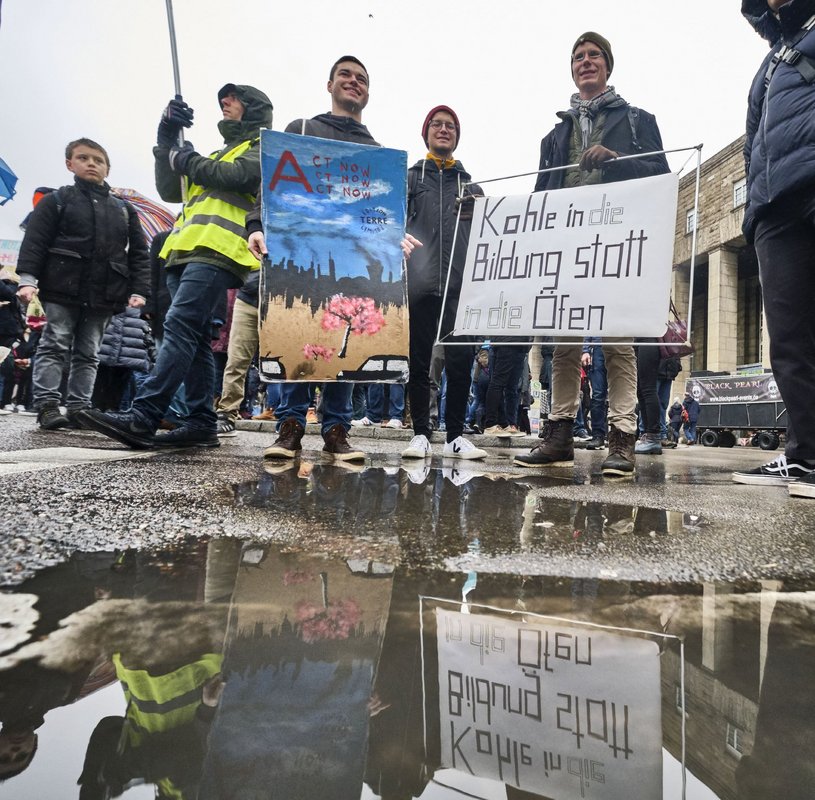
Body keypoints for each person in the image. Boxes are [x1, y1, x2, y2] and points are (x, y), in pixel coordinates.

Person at [78, 85, 274, 448]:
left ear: (253, 107)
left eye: (232, 99)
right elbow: (171, 188)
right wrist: (166, 136)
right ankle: (200, 421)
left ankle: (144, 414)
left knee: (180, 325)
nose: (224, 105)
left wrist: (186, 158)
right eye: (222, 101)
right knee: (197, 338)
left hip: (220, 249)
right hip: (184, 249)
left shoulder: (261, 149)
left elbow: (235, 178)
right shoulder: (218, 153)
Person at [514, 31, 669, 474]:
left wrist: (616, 158)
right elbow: (542, 192)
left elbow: (660, 173)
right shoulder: (554, 135)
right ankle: (559, 434)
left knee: (618, 343)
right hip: (566, 246)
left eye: (594, 55)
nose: (586, 61)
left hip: (616, 243)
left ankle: (621, 439)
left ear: (608, 65)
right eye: (578, 56)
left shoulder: (638, 119)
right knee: (562, 346)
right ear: (572, 68)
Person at [248, 56, 400, 463]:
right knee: (300, 335)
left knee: (347, 342)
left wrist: (394, 241)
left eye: (361, 78)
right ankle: (290, 426)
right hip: (302, 256)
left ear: (368, 91)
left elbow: (382, 214)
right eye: (346, 75)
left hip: (352, 263)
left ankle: (336, 429)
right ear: (329, 84)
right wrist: (255, 225)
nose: (353, 82)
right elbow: (272, 186)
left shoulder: (376, 151)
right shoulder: (301, 130)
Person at [732, 0, 815, 494]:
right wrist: (753, 213)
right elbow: (751, 143)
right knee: (789, 339)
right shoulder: (769, 65)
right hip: (774, 210)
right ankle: (806, 456)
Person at [15, 138, 150, 430]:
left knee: (89, 352)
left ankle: (79, 407)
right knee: (54, 344)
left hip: (105, 291)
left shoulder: (124, 210)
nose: (92, 164)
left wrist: (139, 289)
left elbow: (139, 254)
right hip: (62, 285)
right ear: (70, 164)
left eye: (98, 160)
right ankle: (48, 405)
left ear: (107, 168)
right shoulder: (57, 200)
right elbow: (35, 242)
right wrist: (27, 279)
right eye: (84, 158)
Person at [401, 105, 487, 460]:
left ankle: (455, 435)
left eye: (450, 125)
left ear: (457, 135)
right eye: (437, 124)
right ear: (426, 133)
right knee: (418, 361)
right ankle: (421, 432)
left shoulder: (471, 185)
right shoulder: (409, 178)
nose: (443, 129)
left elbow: (489, 236)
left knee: (460, 362)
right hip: (418, 284)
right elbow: (388, 224)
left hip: (459, 287)